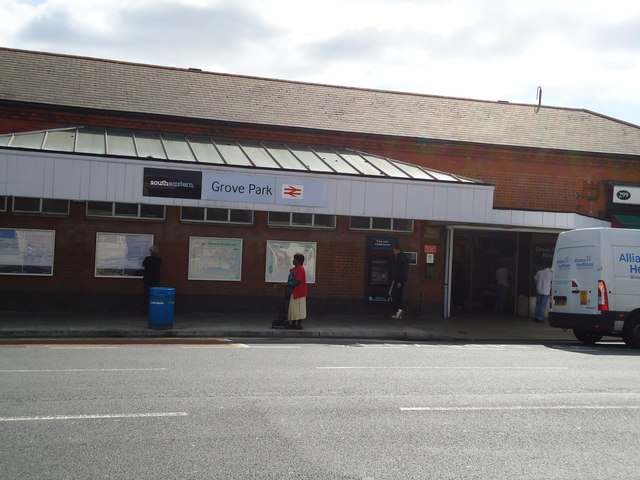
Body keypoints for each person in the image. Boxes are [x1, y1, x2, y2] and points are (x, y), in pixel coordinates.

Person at [284, 253, 307, 329]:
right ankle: (294, 323)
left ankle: (298, 324)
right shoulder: (296, 269)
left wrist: (287, 284)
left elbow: (298, 281)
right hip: (294, 292)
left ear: (298, 261)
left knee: (298, 309)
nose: (293, 261)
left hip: (298, 292)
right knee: (294, 308)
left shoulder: (300, 269)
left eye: (294, 259)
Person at [390, 246, 409, 319]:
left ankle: (398, 310)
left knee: (392, 294)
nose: (393, 252)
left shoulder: (400, 258)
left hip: (398, 280)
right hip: (400, 280)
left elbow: (400, 270)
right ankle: (398, 313)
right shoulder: (404, 257)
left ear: (398, 250)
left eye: (394, 251)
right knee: (398, 296)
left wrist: (399, 281)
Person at [142, 245, 162, 315]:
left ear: (152, 251)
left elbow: (143, 264)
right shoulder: (159, 259)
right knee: (155, 297)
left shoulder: (147, 258)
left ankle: (146, 312)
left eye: (150, 250)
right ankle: (154, 311)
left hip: (148, 280)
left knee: (147, 297)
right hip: (156, 280)